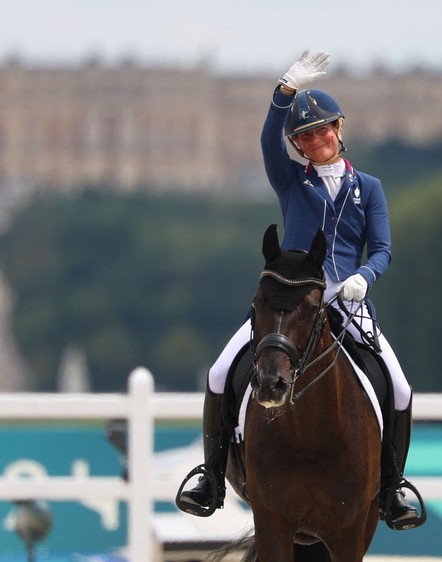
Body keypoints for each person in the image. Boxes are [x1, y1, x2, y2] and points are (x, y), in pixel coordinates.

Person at [178, 49, 420, 527]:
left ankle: (391, 487)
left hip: (349, 302)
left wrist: (362, 278)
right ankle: (211, 475)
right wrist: (283, 94)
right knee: (220, 372)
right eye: (305, 136)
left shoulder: (368, 187)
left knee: (400, 388)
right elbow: (269, 138)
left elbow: (383, 250)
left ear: (339, 129)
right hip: (291, 302)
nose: (315, 140)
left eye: (322, 130)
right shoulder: (291, 181)